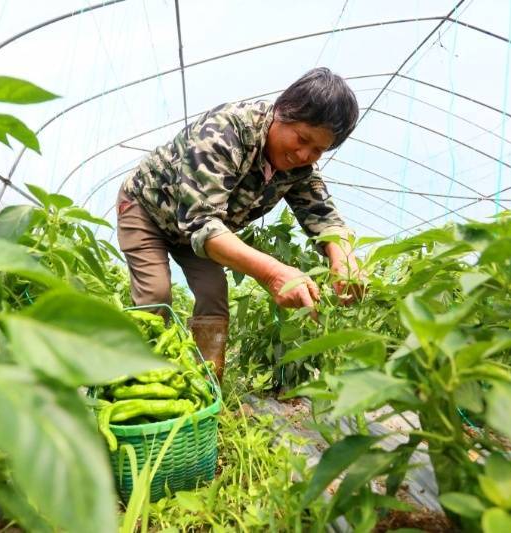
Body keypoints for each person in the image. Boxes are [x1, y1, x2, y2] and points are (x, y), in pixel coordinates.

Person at [116, 67, 365, 381]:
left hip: (197, 232)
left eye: (319, 149)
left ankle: (205, 387)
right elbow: (202, 223)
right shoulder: (223, 133)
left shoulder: (299, 168)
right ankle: (139, 381)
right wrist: (273, 272)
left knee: (213, 296)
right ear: (281, 112)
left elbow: (324, 216)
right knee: (155, 294)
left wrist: (343, 257)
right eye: (302, 139)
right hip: (147, 210)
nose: (305, 154)